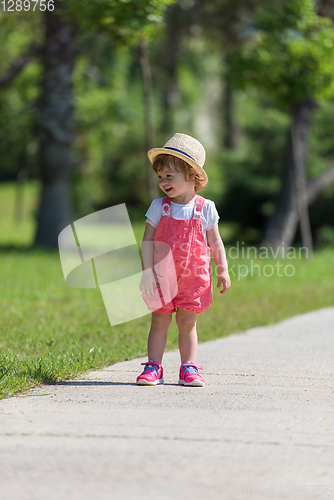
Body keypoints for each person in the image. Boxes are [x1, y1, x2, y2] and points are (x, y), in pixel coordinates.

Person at [137, 133, 231, 387]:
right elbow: (147, 241)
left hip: (194, 277)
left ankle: (188, 368)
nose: (163, 182)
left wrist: (222, 269)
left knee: (187, 322)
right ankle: (154, 366)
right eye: (160, 177)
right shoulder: (159, 207)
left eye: (170, 176)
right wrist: (146, 271)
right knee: (159, 320)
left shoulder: (206, 208)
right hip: (161, 276)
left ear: (192, 176)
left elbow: (215, 242)